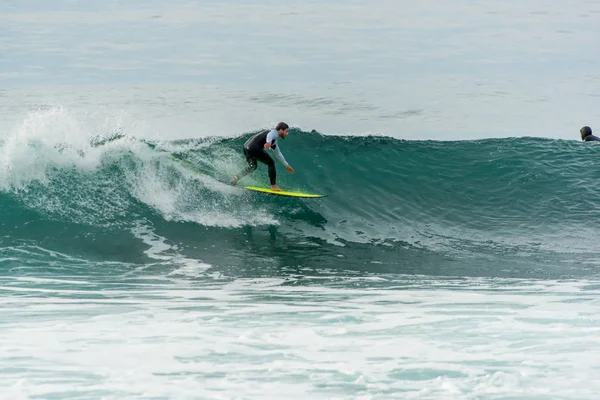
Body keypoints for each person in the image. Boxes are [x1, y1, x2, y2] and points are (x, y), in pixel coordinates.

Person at [230, 122, 294, 191]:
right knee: (271, 163)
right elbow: (270, 135)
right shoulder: (273, 133)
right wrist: (268, 142)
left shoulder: (274, 140)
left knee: (252, 166)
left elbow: (278, 154)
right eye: (286, 131)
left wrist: (287, 165)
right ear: (281, 130)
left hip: (246, 148)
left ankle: (235, 178)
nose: (287, 134)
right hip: (254, 149)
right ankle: (273, 186)